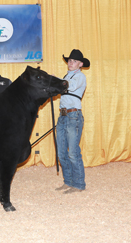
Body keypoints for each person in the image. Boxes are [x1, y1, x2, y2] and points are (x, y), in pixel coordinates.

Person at [55, 49, 90, 194]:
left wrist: (55, 81)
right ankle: (68, 181)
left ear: (81, 64)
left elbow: (69, 86)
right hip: (63, 116)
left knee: (73, 153)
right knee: (62, 152)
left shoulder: (80, 76)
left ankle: (79, 184)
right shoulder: (67, 76)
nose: (71, 63)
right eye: (69, 60)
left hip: (73, 115)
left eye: (74, 61)